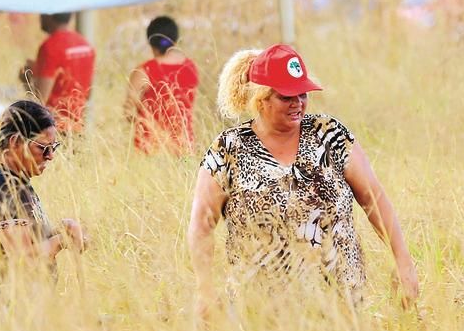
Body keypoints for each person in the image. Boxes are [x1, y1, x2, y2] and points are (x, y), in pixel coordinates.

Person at [187, 44, 420, 315]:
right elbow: (201, 226)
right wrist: (204, 289)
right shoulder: (229, 149)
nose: (297, 103)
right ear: (261, 99)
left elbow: (374, 199)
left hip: (340, 305)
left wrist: (403, 261)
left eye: (302, 94)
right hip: (259, 311)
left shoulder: (330, 135)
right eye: (286, 96)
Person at [0, 100, 88, 284]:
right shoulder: (4, 185)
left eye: (53, 148)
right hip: (10, 306)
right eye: (42, 147)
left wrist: (60, 231)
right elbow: (24, 260)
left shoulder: (7, 180)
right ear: (15, 141)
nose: (50, 156)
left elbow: (24, 243)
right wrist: (62, 241)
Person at [125, 16, 200, 155]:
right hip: (184, 146)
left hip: (149, 148)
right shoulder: (191, 67)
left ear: (150, 41)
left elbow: (128, 112)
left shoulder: (144, 71)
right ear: (176, 39)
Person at [25, 13, 95, 133]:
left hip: (54, 129)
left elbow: (39, 100)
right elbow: (88, 93)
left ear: (49, 16)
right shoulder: (85, 44)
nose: (39, 17)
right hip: (77, 126)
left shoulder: (50, 46)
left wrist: (27, 77)